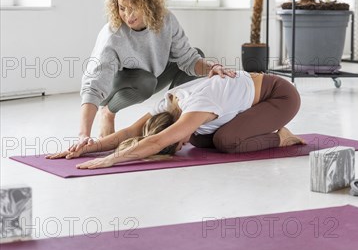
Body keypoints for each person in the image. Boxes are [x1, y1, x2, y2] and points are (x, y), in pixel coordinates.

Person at [76, 0, 235, 151]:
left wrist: (212, 67)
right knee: (146, 81)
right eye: (122, 8)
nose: (128, 15)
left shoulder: (165, 20)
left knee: (197, 53)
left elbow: (189, 59)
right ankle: (108, 112)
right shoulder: (113, 35)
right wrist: (84, 134)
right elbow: (93, 85)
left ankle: (174, 118)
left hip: (153, 75)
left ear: (148, 3)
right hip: (121, 83)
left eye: (134, 6)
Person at [47, 71, 305, 168]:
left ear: (175, 125)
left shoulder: (197, 107)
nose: (182, 145)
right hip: (246, 101)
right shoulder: (167, 106)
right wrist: (87, 147)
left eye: (177, 141)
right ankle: (259, 123)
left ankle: (281, 135)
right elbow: (130, 132)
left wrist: (112, 160)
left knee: (227, 141)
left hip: (278, 96)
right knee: (202, 140)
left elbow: (158, 141)